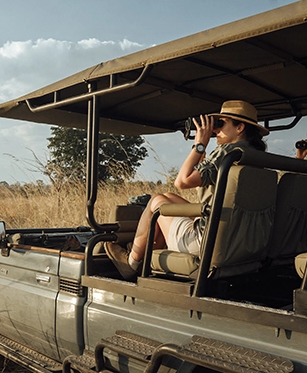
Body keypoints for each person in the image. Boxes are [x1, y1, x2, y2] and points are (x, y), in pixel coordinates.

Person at [105, 100, 269, 280]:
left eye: (221, 124)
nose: (215, 130)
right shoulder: (257, 158)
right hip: (237, 240)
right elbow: (202, 184)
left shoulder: (227, 153)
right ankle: (146, 254)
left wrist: (200, 145)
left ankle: (131, 262)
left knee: (156, 201)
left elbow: (182, 181)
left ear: (240, 128)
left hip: (204, 241)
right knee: (168, 197)